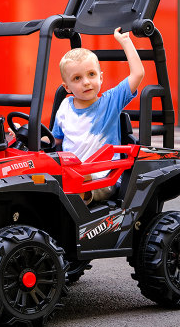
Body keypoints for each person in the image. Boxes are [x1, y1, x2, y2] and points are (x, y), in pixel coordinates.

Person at [51, 27, 145, 205]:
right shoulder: (65, 107)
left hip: (104, 176)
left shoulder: (110, 102)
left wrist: (125, 41)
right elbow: (54, 140)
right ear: (67, 87)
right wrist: (26, 135)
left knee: (76, 184)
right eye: (77, 78)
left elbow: (138, 74)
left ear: (101, 78)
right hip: (70, 174)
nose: (86, 82)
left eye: (91, 74)